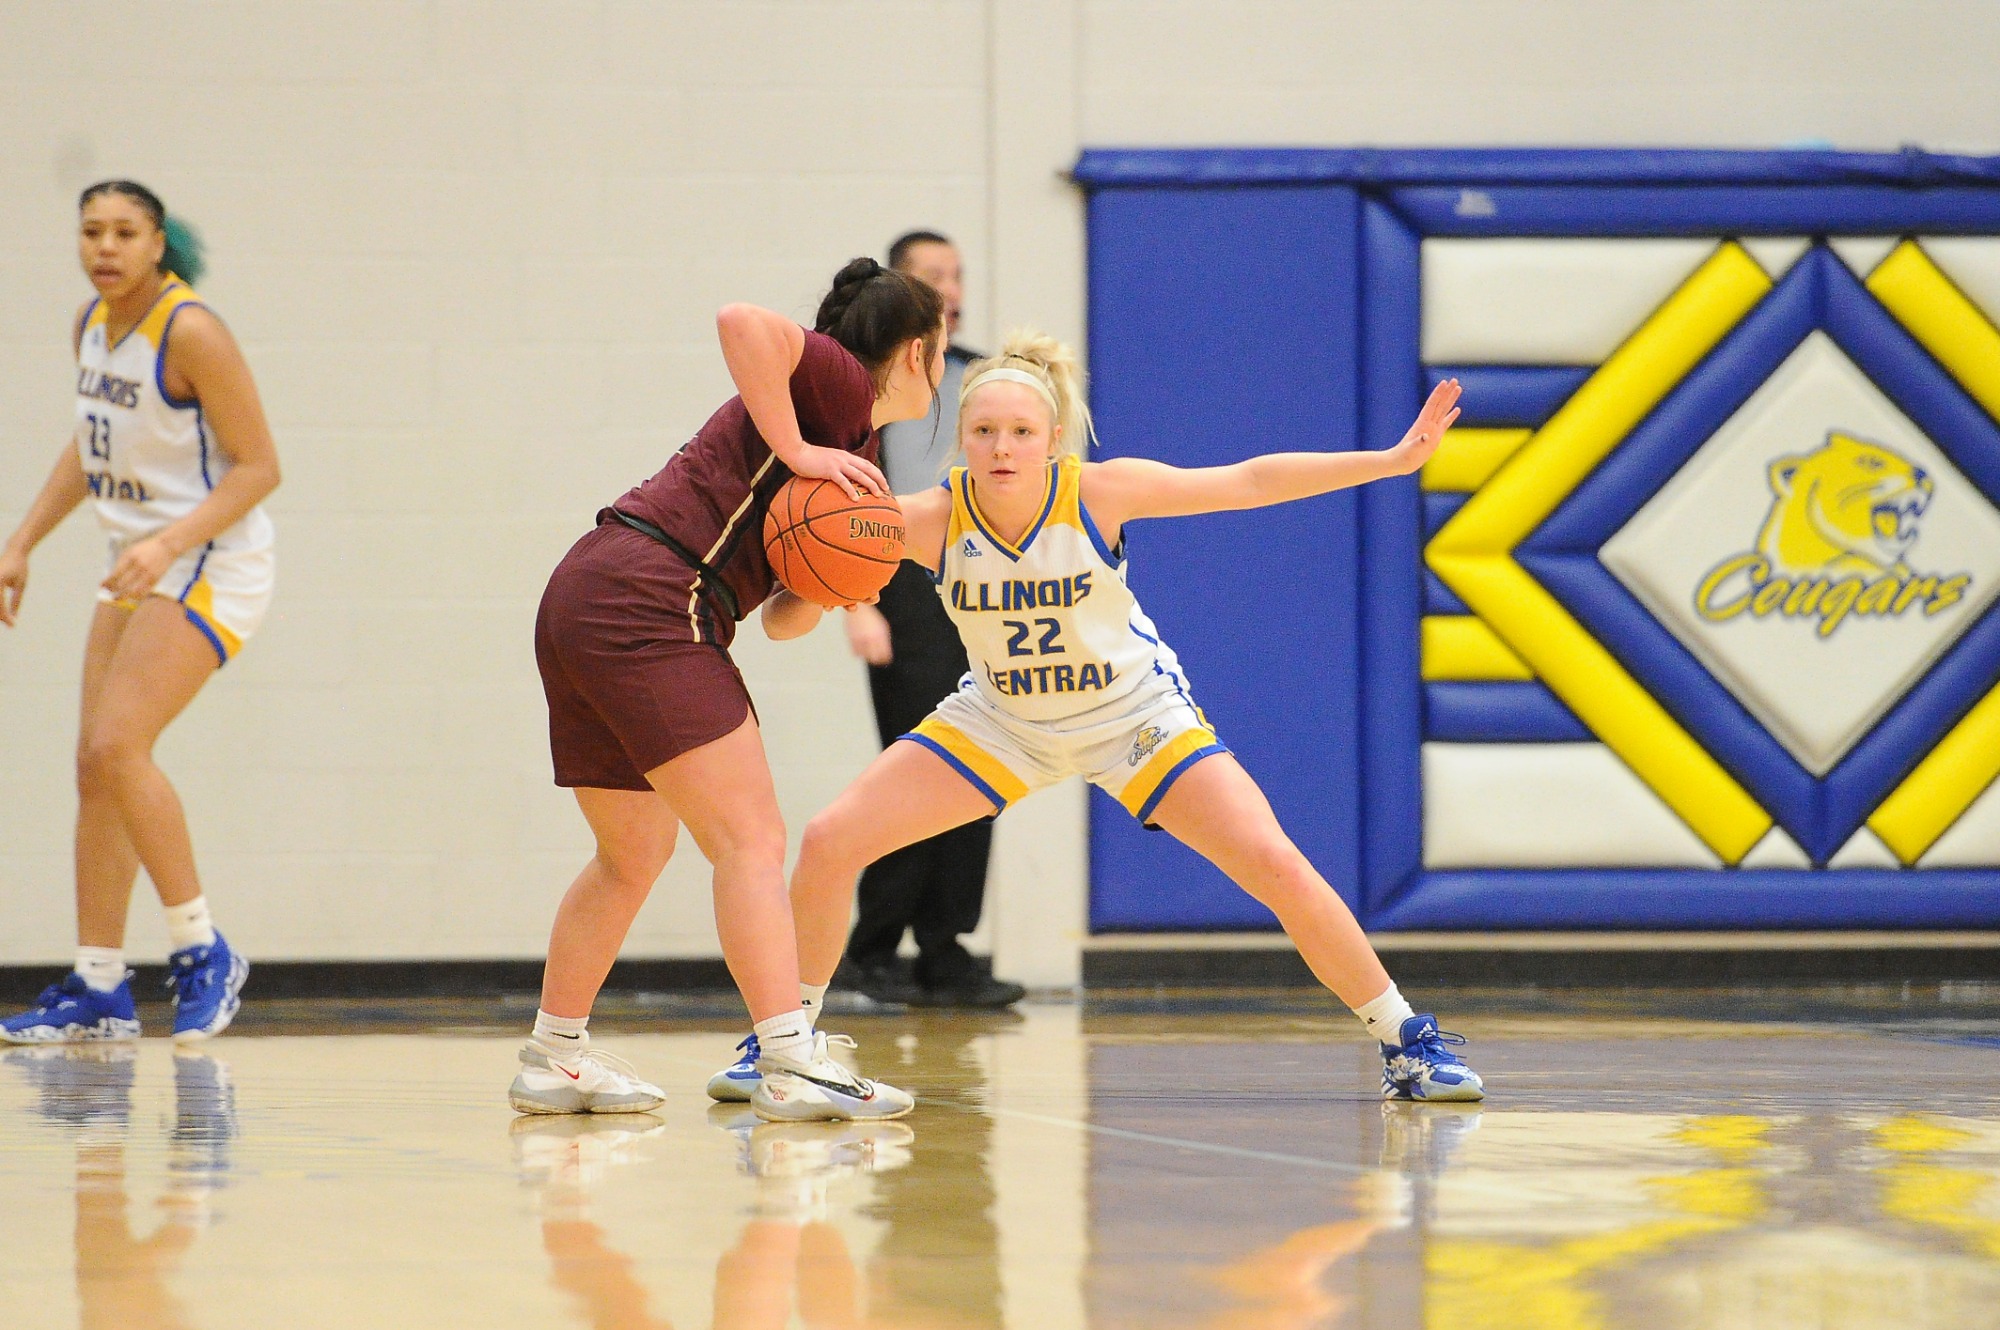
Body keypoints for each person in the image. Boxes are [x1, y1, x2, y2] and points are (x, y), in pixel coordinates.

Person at [719, 331, 1484, 1104]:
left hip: (1132, 718)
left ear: (1053, 440)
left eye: (1021, 432)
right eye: (984, 432)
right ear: (961, 440)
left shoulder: (1096, 493)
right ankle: (786, 1044)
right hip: (1002, 721)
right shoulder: (921, 519)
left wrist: (1390, 461)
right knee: (827, 841)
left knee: (1274, 863)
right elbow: (783, 622)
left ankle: (1406, 1039)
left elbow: (1248, 481)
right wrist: (812, 585)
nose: (1002, 448)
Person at [511, 257, 946, 1122]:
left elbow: (781, 619)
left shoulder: (853, 452)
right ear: (918, 353)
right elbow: (742, 318)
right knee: (752, 839)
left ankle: (553, 1056)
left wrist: (835, 584)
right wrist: (794, 447)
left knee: (632, 855)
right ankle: (789, 1057)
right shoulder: (833, 381)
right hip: (651, 594)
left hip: (588, 592)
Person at [1, 181, 278, 1046]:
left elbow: (259, 467)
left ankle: (203, 949)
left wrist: (166, 544)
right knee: (94, 764)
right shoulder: (92, 322)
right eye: (92, 232)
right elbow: (92, 448)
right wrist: (22, 542)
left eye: (125, 232)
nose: (106, 247)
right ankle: (98, 985)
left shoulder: (190, 329)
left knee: (121, 743)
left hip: (211, 559)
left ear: (159, 242)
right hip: (139, 566)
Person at [838, 230, 1021, 1009]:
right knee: (916, 770)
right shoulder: (865, 387)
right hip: (901, 586)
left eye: (955, 275)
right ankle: (870, 952)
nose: (946, 289)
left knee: (984, 770)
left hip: (977, 583)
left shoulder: (985, 380)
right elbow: (840, 502)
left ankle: (945, 948)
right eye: (928, 277)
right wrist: (857, 603)